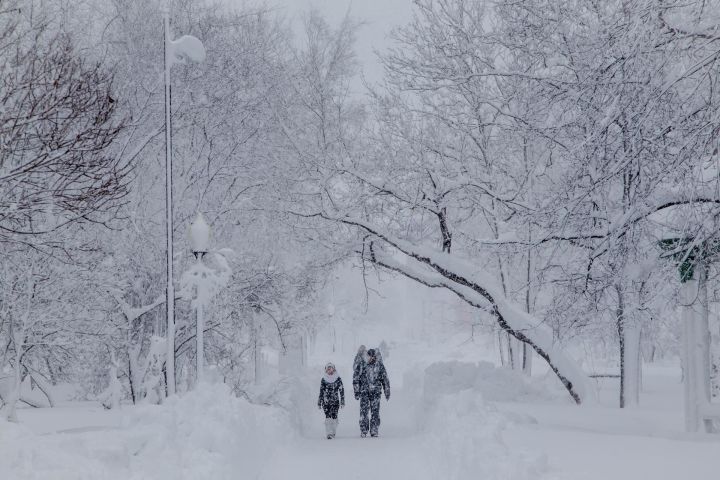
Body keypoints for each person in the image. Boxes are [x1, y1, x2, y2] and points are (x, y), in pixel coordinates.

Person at [353, 348, 390, 437]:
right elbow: (356, 378)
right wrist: (356, 391)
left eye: (371, 357)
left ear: (374, 357)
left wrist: (387, 391)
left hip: (376, 392)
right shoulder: (362, 365)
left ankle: (374, 429)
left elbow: (385, 379)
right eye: (368, 356)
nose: (369, 358)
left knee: (375, 411)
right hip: (364, 392)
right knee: (364, 411)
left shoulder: (379, 366)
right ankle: (364, 430)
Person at [318, 362, 345, 439]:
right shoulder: (324, 379)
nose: (329, 370)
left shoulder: (338, 379)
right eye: (328, 369)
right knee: (328, 417)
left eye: (331, 368)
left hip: (335, 402)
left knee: (334, 417)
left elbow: (341, 390)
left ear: (334, 369)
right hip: (326, 402)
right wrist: (319, 401)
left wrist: (342, 400)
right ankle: (329, 433)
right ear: (326, 370)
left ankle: (333, 431)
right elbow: (321, 391)